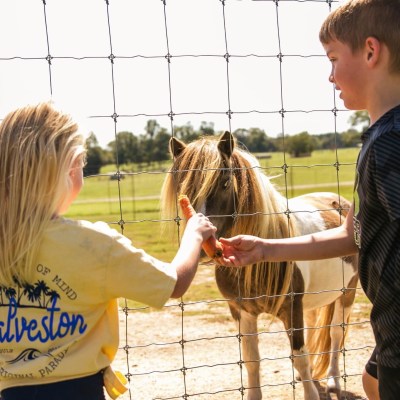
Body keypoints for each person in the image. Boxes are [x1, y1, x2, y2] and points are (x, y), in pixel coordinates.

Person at [217, 1, 400, 399]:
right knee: (372, 383)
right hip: (391, 330)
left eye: (334, 59)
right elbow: (354, 235)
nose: (330, 75)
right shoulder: (380, 138)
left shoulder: (390, 145)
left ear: (371, 52)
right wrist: (265, 248)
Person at [0, 102, 217, 400]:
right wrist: (193, 235)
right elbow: (174, 283)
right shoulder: (94, 244)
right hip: (79, 390)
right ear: (70, 169)